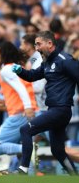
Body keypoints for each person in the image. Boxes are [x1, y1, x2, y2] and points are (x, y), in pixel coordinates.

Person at [12, 31, 79, 175]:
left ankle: (23, 170)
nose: (36, 48)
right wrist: (20, 71)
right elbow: (32, 76)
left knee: (25, 130)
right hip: (54, 110)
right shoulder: (47, 62)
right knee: (57, 150)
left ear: (50, 43)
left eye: (38, 44)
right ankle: (75, 179)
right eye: (35, 44)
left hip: (61, 109)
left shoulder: (65, 60)